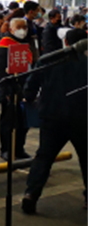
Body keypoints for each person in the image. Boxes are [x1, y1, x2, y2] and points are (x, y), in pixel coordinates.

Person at [21, 29, 88, 214]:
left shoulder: (48, 59)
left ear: (65, 42)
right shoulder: (86, 62)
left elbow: (31, 85)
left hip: (52, 116)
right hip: (82, 118)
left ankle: (31, 194)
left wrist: (29, 97)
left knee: (44, 157)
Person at [0, 17, 32, 161]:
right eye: (19, 27)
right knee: (9, 121)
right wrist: (4, 91)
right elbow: (0, 71)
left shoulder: (26, 43)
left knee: (24, 121)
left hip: (24, 88)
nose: (22, 30)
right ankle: (6, 149)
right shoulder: (4, 45)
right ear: (11, 29)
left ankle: (19, 148)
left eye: (24, 27)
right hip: (10, 89)